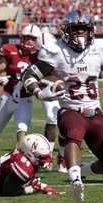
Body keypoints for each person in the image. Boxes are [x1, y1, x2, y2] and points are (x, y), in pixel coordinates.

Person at [22, 10, 103, 202]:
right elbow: (29, 75)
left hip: (95, 112)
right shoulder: (55, 51)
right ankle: (75, 180)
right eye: (76, 30)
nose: (81, 34)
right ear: (66, 32)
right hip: (70, 109)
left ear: (91, 31)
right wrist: (39, 92)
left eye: (84, 30)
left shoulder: (99, 47)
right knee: (73, 133)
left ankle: (82, 169)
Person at [0, 24, 41, 162]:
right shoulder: (10, 50)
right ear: (22, 38)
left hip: (25, 100)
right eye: (27, 38)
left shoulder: (39, 57)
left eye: (33, 39)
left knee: (22, 132)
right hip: (7, 96)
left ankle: (14, 165)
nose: (30, 42)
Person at [35, 32, 67, 173]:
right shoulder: (36, 58)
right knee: (51, 118)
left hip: (64, 89)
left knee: (66, 122)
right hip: (48, 90)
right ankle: (47, 156)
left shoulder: (63, 52)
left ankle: (62, 156)